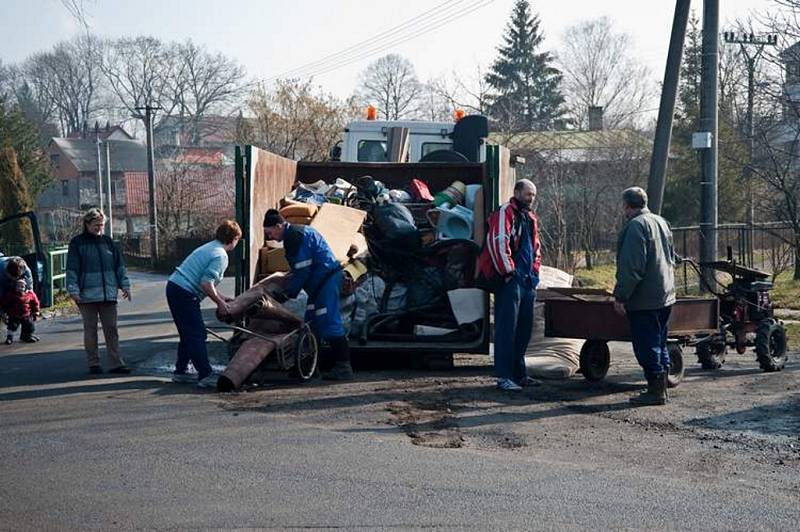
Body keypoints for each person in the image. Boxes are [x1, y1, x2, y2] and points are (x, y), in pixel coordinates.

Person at [263, 209, 353, 380]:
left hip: (325, 282)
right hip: (321, 283)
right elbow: (300, 269)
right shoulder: (296, 234)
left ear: (278, 225)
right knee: (311, 323)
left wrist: (288, 294)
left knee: (329, 322)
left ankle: (343, 367)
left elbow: (302, 271)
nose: (270, 238)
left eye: (270, 233)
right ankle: (311, 367)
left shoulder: (295, 237)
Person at [612, 187, 676, 406]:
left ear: (627, 206)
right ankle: (662, 387)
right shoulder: (661, 221)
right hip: (665, 294)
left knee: (647, 344)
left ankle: (655, 391)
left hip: (645, 299)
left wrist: (620, 296)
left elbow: (632, 268)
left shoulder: (635, 227)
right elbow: (671, 257)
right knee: (660, 340)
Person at [477, 179, 542, 391]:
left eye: (533, 195)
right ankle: (504, 376)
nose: (530, 198)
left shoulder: (530, 217)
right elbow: (498, 242)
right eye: (527, 194)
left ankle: (519, 374)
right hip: (510, 280)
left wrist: (535, 272)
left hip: (527, 281)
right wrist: (509, 272)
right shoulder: (506, 212)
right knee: (506, 329)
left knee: (524, 329)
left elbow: (536, 247)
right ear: (516, 193)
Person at [167, 220, 241, 388]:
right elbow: (206, 284)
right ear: (234, 239)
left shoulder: (210, 247)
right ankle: (205, 374)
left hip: (175, 287)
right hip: (184, 292)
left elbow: (207, 283)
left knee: (188, 334)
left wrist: (222, 298)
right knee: (197, 334)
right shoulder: (221, 255)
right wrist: (220, 304)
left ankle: (181, 372)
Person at [66, 208, 132, 375]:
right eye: (96, 225)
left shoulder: (109, 243)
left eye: (102, 225)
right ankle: (93, 363)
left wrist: (125, 285)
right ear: (87, 224)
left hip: (108, 294)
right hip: (86, 295)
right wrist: (73, 289)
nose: (100, 228)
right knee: (90, 330)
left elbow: (120, 266)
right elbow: (72, 268)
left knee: (112, 329)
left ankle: (116, 363)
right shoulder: (77, 243)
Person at [1, 279, 40, 344]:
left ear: (25, 287)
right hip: (14, 314)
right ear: (15, 287)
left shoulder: (29, 294)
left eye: (22, 287)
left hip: (26, 314)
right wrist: (4, 312)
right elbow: (5, 303)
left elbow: (35, 303)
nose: (20, 288)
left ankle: (27, 336)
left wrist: (36, 311)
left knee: (29, 325)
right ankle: (9, 337)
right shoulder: (11, 295)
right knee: (12, 326)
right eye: (18, 286)